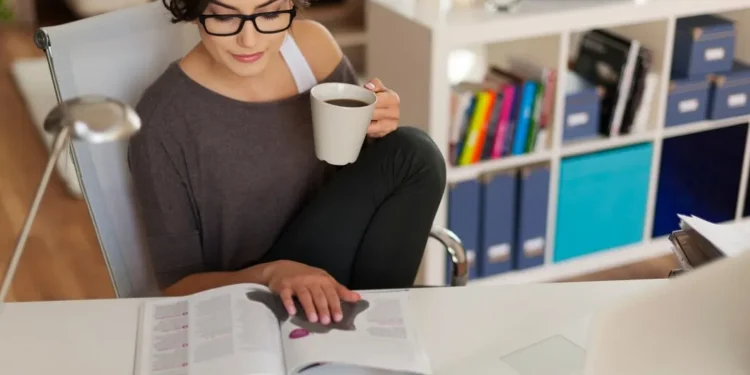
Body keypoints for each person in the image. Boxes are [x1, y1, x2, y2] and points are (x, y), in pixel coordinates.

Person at [127, 0, 446, 326]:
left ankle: (369, 329)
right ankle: (371, 329)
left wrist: (378, 120)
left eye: (269, 13)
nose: (249, 40)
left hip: (344, 274)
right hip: (256, 299)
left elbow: (362, 173)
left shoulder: (310, 50)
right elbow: (178, 287)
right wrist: (271, 273)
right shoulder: (162, 120)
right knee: (413, 154)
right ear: (194, 10)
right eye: (224, 17)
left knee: (414, 153)